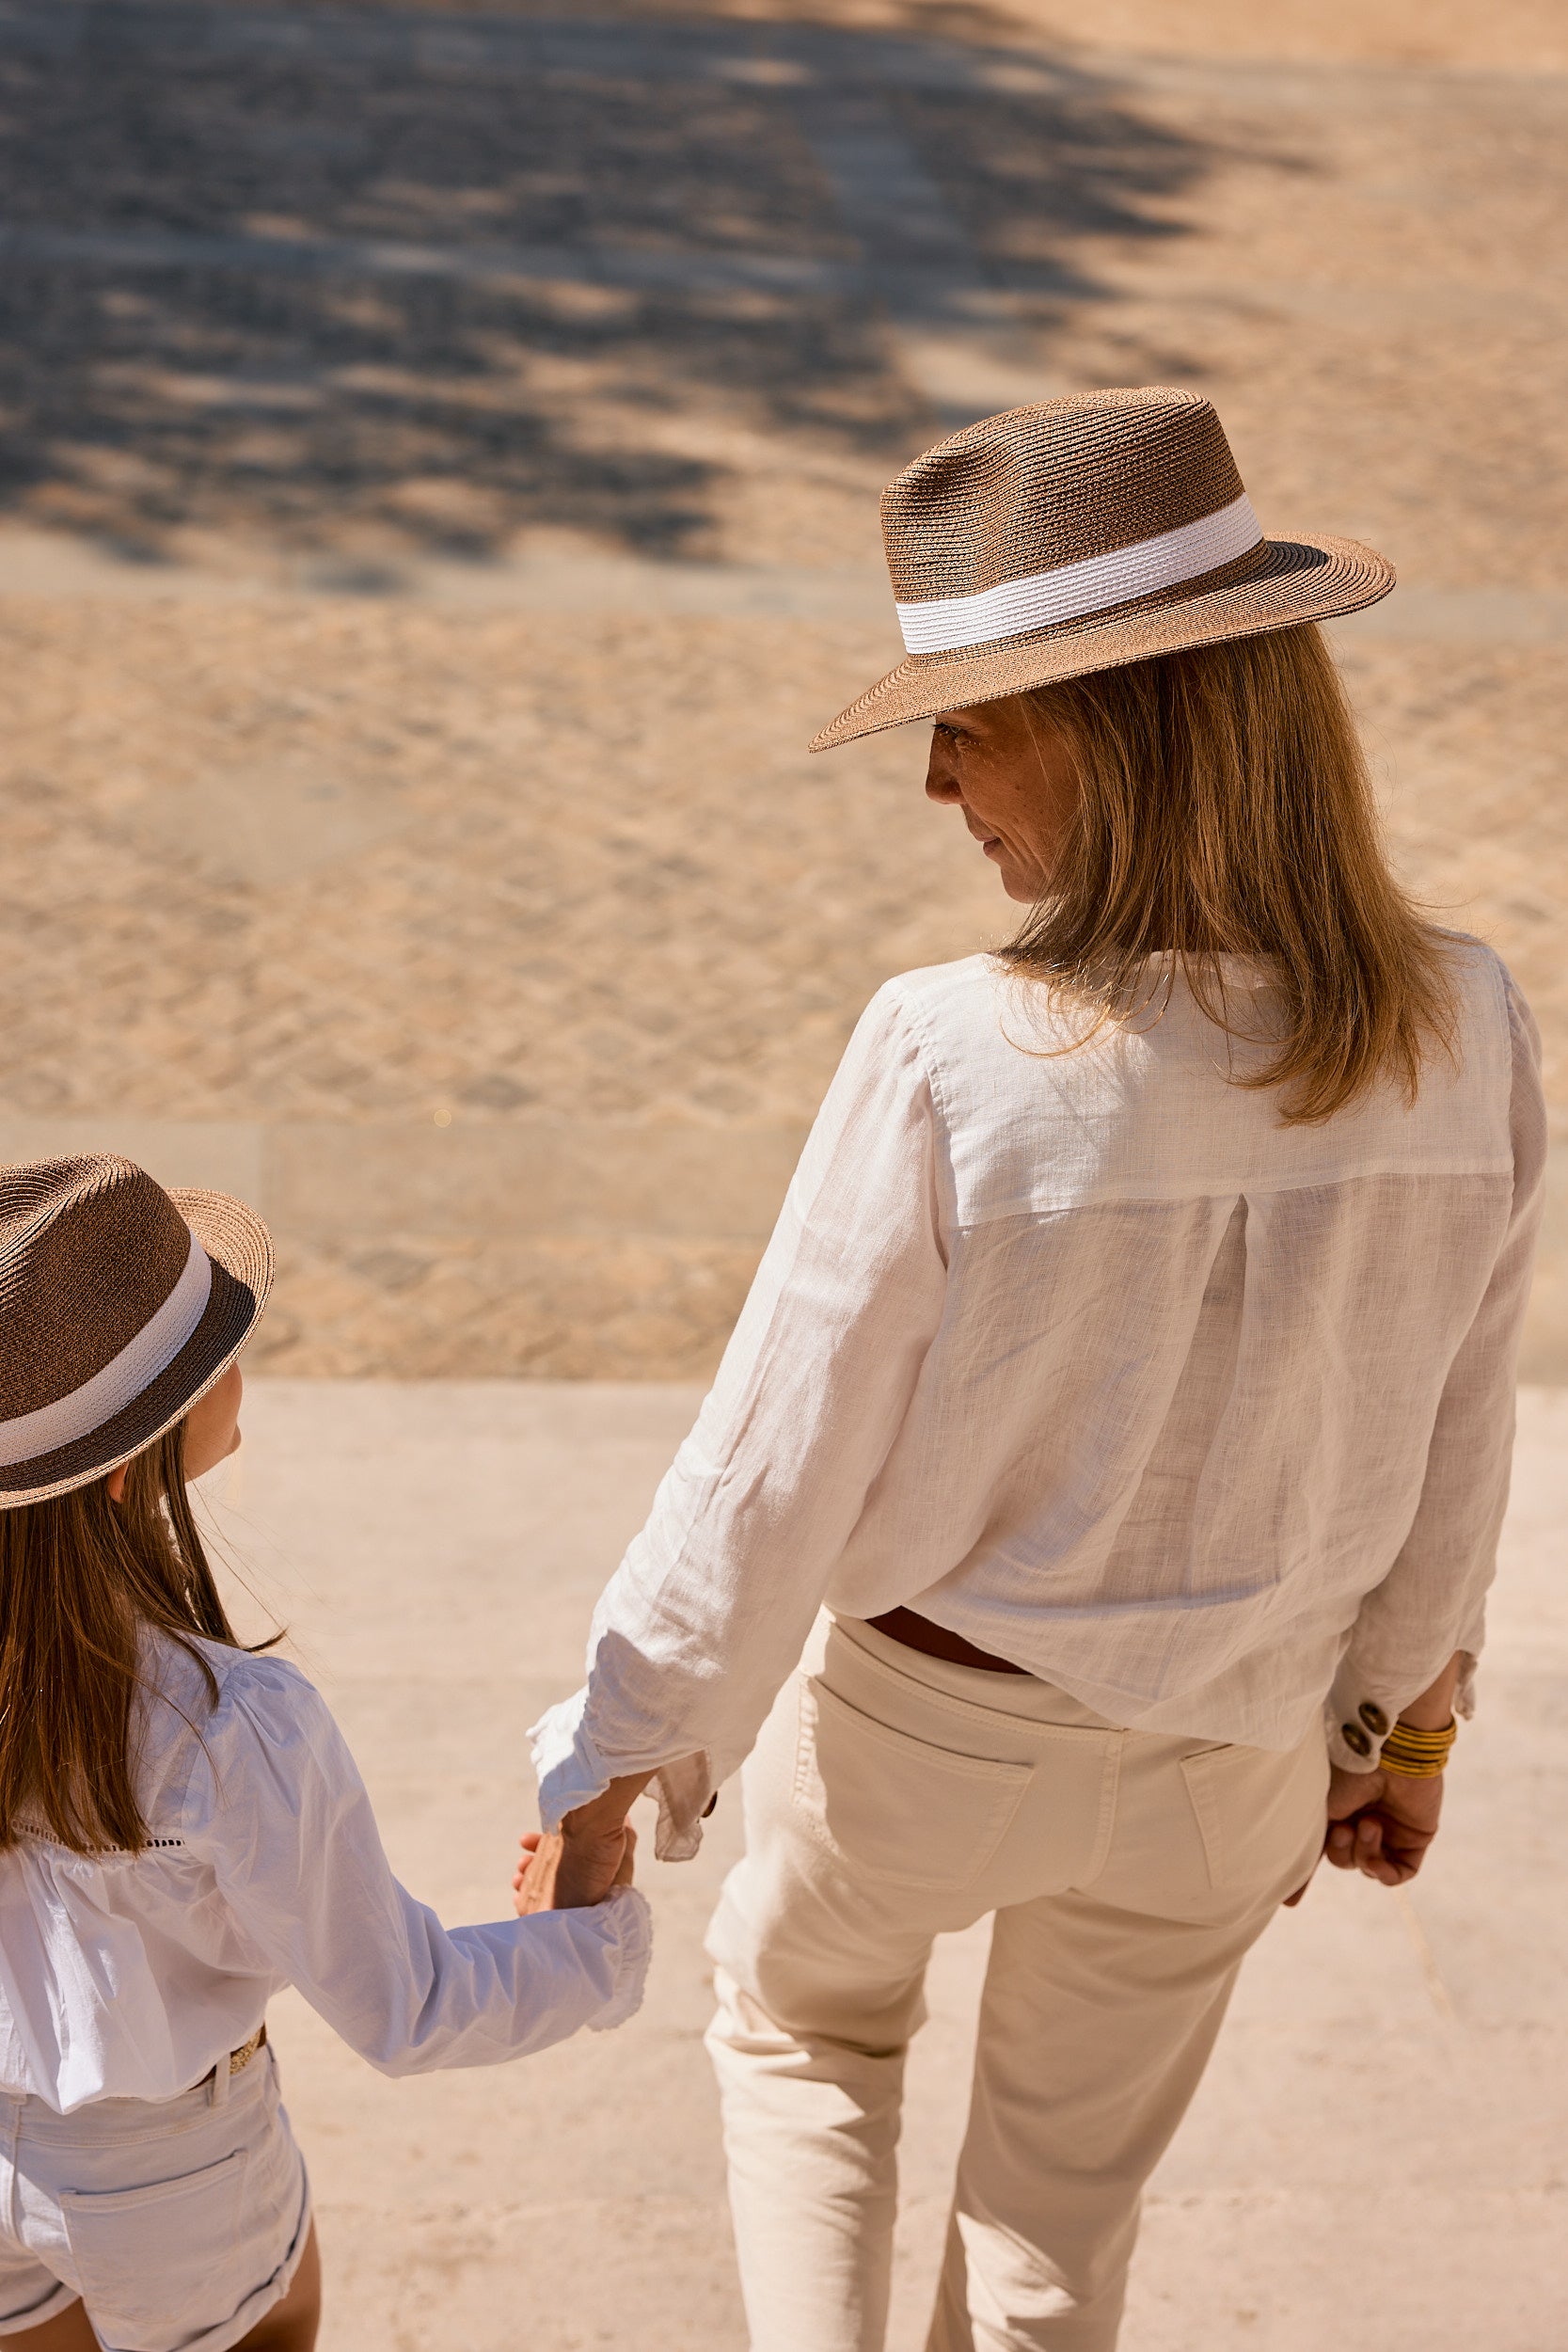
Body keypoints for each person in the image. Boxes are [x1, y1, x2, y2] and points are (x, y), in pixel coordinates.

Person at [519, 387, 1544, 2349]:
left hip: (928, 1731)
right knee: (1059, 2218)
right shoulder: (1463, 1020)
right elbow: (1453, 1430)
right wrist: (1394, 1728)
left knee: (803, 2036)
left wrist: (611, 1750)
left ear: (1114, 727)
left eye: (964, 725)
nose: (935, 785)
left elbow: (770, 1463)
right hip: (1234, 1751)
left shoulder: (950, 1047)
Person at [0, 1156, 649, 2352]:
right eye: (210, 1356)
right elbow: (407, 2008)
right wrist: (586, 1940)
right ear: (133, 1462)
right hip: (169, 2175)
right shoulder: (230, 1724)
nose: (241, 1365)